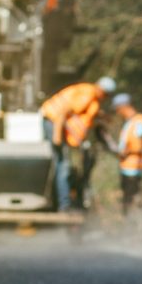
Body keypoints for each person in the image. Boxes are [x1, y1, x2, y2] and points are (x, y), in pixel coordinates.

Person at [40, 76, 116, 211]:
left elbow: (84, 112)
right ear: (101, 90)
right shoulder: (87, 95)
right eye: (105, 95)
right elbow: (64, 111)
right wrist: (57, 136)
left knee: (62, 164)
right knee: (63, 164)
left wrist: (102, 116)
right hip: (54, 123)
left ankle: (62, 202)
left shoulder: (90, 95)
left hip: (56, 124)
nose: (105, 98)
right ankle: (64, 205)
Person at [110, 93, 142, 216]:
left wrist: (124, 152)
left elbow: (137, 145)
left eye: (118, 109)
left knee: (132, 202)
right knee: (129, 201)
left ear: (124, 106)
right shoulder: (131, 122)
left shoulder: (138, 122)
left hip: (133, 168)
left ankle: (135, 228)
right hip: (128, 168)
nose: (118, 112)